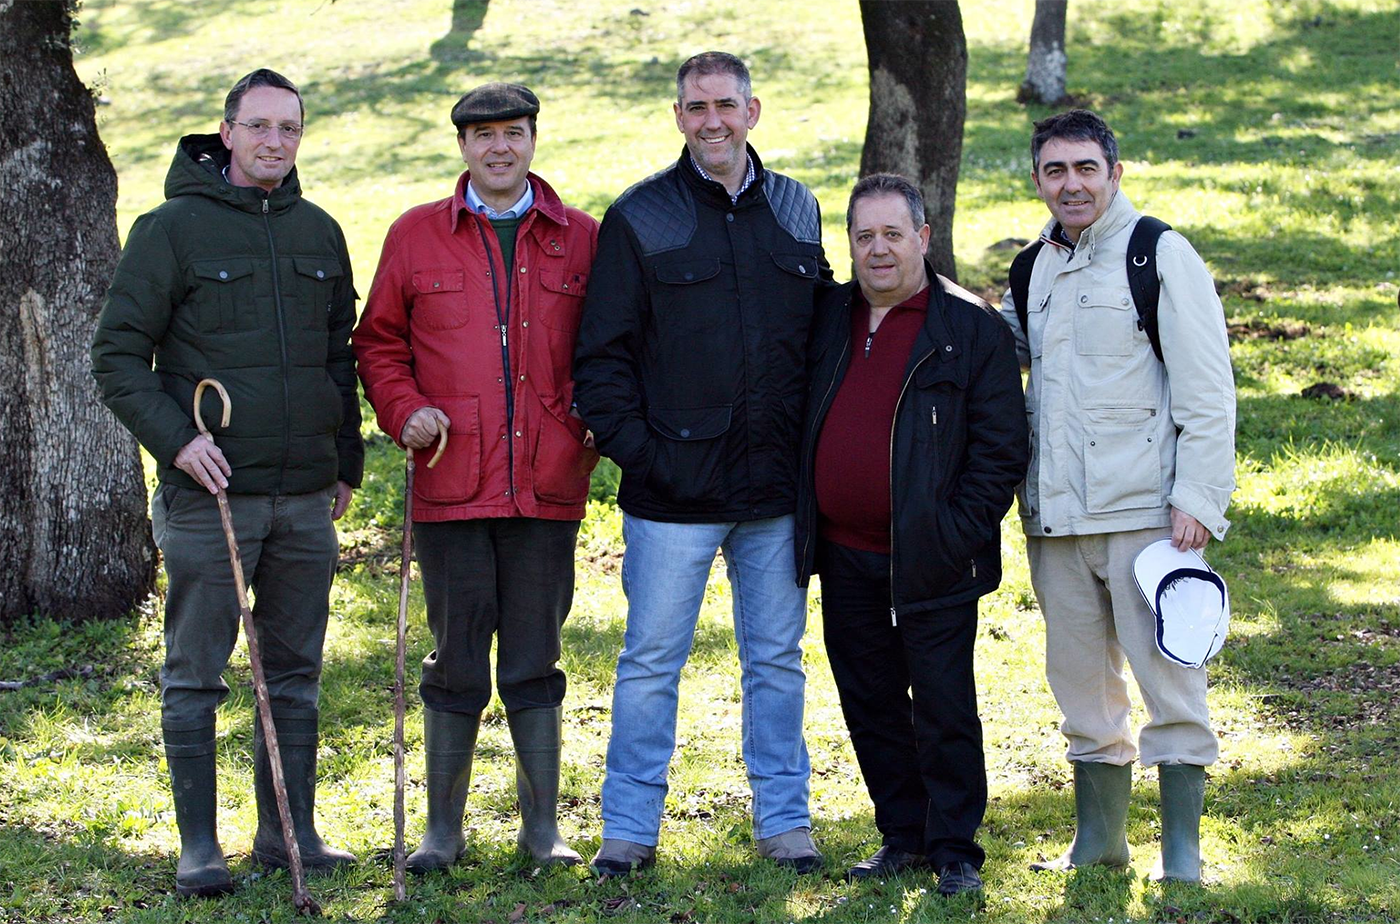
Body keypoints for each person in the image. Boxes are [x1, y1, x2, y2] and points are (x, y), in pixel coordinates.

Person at [91, 68, 363, 897]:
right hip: (210, 498)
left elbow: (336, 358)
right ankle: (201, 847)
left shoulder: (320, 232)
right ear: (228, 132)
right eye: (259, 127)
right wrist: (177, 444)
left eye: (290, 128)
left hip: (304, 496)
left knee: (294, 674)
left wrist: (345, 461)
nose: (274, 141)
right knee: (197, 674)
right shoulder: (169, 230)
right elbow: (116, 359)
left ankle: (291, 835)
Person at [572, 51, 832, 876]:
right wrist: (649, 458)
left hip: (776, 492)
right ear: (678, 116)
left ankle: (785, 822)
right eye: (696, 107)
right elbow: (601, 362)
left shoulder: (799, 208)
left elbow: (820, 338)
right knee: (650, 662)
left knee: (777, 662)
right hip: (670, 497)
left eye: (726, 104)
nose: (711, 120)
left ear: (753, 111)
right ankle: (629, 829)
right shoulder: (640, 217)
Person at [353, 83, 599, 871]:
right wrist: (404, 409)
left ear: (534, 140)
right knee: (457, 657)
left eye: (514, 133)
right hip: (450, 482)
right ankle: (442, 832)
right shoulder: (416, 236)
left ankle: (541, 831)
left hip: (546, 485)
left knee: (535, 656)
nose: (500, 147)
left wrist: (589, 424)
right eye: (483, 134)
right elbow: (379, 343)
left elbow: (612, 346)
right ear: (462, 146)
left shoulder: (582, 238)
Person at [998, 109, 1236, 882]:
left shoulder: (1158, 253)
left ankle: (1183, 853)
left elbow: (1207, 389)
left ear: (1115, 172)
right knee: (1080, 686)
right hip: (1057, 520)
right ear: (1038, 180)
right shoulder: (1031, 268)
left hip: (1146, 516)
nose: (1071, 184)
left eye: (1085, 168)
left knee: (1171, 681)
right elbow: (998, 363)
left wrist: (1198, 496)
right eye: (1054, 171)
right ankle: (1099, 842)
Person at [794, 174, 1027, 895]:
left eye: (893, 234)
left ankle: (955, 846)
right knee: (869, 699)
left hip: (934, 559)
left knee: (943, 704)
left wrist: (952, 532)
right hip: (844, 554)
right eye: (864, 236)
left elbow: (1000, 450)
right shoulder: (828, 317)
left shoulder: (970, 328)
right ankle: (903, 834)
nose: (878, 250)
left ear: (923, 238)